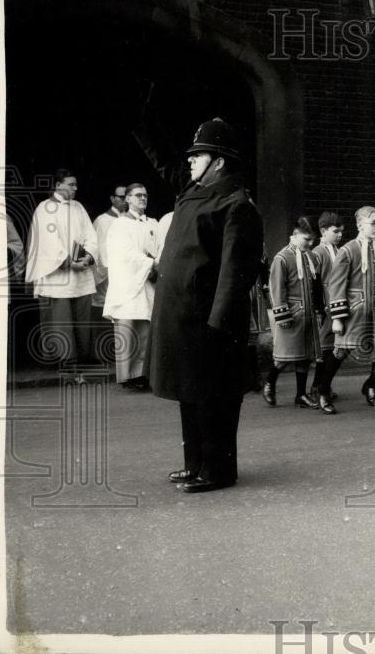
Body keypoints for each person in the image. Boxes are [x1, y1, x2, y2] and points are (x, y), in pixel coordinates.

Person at [149, 118, 264, 494]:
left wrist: (219, 325)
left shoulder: (236, 203)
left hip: (210, 324)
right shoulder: (196, 191)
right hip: (183, 317)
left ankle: (217, 471)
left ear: (219, 161)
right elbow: (164, 161)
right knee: (190, 394)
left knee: (214, 399)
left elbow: (234, 273)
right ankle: (195, 464)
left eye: (198, 155)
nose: (190, 162)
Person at [25, 169, 99, 367]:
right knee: (61, 318)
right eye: (71, 184)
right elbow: (48, 242)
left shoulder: (78, 207)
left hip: (80, 271)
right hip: (58, 273)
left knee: (82, 316)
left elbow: (91, 235)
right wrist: (68, 262)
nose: (76, 188)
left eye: (76, 184)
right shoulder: (45, 208)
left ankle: (83, 358)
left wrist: (88, 258)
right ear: (58, 185)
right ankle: (67, 360)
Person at [328, 206, 375, 414]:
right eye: (372, 223)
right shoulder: (348, 251)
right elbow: (336, 285)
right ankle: (321, 389)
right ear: (359, 225)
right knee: (342, 351)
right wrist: (337, 317)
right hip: (354, 312)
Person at [102, 183, 159, 390]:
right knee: (127, 330)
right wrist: (151, 263)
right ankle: (127, 376)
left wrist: (155, 263)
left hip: (146, 281)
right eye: (137, 196)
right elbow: (123, 254)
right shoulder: (119, 225)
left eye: (145, 195)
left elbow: (159, 249)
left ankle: (141, 374)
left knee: (146, 330)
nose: (142, 199)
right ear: (128, 199)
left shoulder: (152, 223)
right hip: (127, 284)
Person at [262, 217, 322, 409]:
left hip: (309, 314)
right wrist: (282, 315)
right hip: (292, 314)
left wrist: (319, 309)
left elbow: (316, 286)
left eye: (313, 240)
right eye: (307, 239)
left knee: (304, 356)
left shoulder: (311, 257)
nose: (311, 243)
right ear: (295, 236)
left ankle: (300, 394)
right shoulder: (282, 258)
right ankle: (269, 382)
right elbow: (276, 288)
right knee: (283, 357)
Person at [307, 211, 344, 414]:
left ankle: (323, 385)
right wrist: (319, 309)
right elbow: (315, 284)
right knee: (323, 349)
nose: (339, 235)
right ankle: (316, 387)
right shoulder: (318, 253)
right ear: (323, 231)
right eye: (335, 231)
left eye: (341, 231)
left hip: (336, 304)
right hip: (325, 306)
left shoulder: (337, 250)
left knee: (331, 347)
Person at [92, 184, 127, 312]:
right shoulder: (102, 221)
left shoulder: (130, 219)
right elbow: (101, 256)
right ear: (112, 199)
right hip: (108, 278)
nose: (125, 200)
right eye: (121, 197)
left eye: (127, 197)